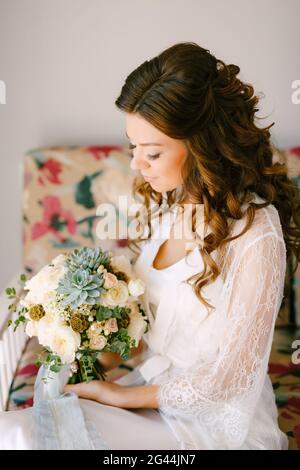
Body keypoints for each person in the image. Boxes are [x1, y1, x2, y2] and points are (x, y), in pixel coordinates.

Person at [0, 41, 299, 450]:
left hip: (212, 425)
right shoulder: (168, 206)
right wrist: (88, 337)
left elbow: (234, 376)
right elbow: (147, 334)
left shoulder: (254, 229)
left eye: (153, 152)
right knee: (19, 428)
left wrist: (121, 397)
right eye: (133, 147)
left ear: (200, 146)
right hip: (150, 393)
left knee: (19, 436)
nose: (136, 164)